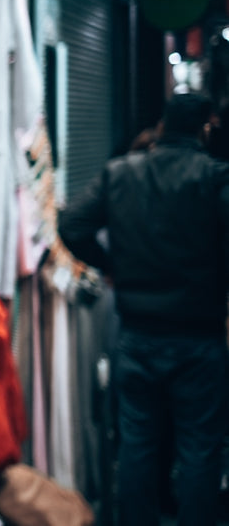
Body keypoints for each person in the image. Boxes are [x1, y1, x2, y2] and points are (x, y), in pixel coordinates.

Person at [58, 92, 229, 526]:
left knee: (136, 445)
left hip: (136, 335)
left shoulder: (121, 173)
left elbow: (72, 224)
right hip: (199, 337)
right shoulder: (214, 179)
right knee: (199, 450)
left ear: (162, 123)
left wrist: (113, 265)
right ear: (205, 126)